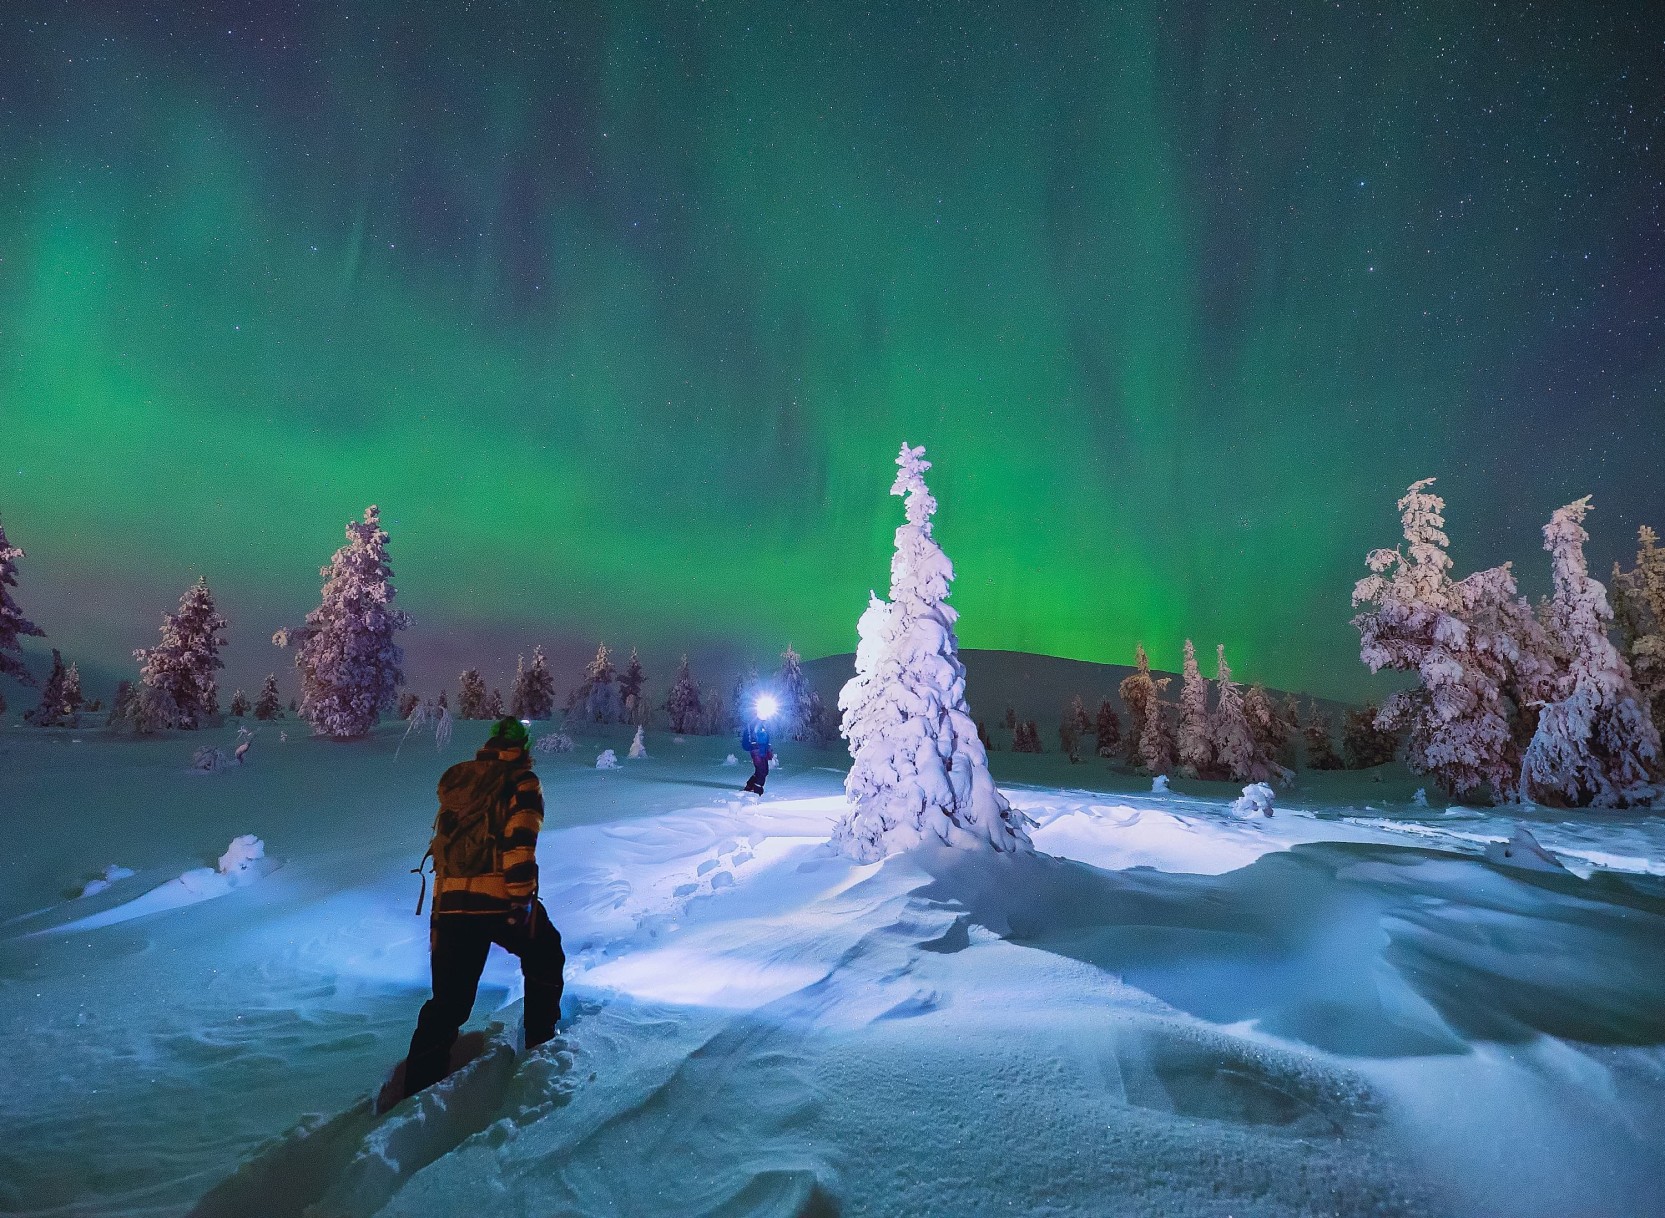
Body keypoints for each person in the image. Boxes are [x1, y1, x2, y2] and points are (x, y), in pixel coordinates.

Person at [403, 716, 564, 1099]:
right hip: (497, 899)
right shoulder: (522, 782)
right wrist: (522, 899)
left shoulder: (465, 783)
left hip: (450, 904)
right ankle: (540, 1046)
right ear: (523, 747)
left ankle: (417, 1086)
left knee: (449, 1002)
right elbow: (519, 842)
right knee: (546, 954)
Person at [740, 712, 773, 794]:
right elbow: (751, 737)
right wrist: (753, 747)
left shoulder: (764, 725)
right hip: (756, 751)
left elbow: (766, 737)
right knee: (762, 771)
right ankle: (757, 789)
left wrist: (768, 749)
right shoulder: (753, 724)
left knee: (763, 770)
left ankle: (750, 785)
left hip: (763, 750)